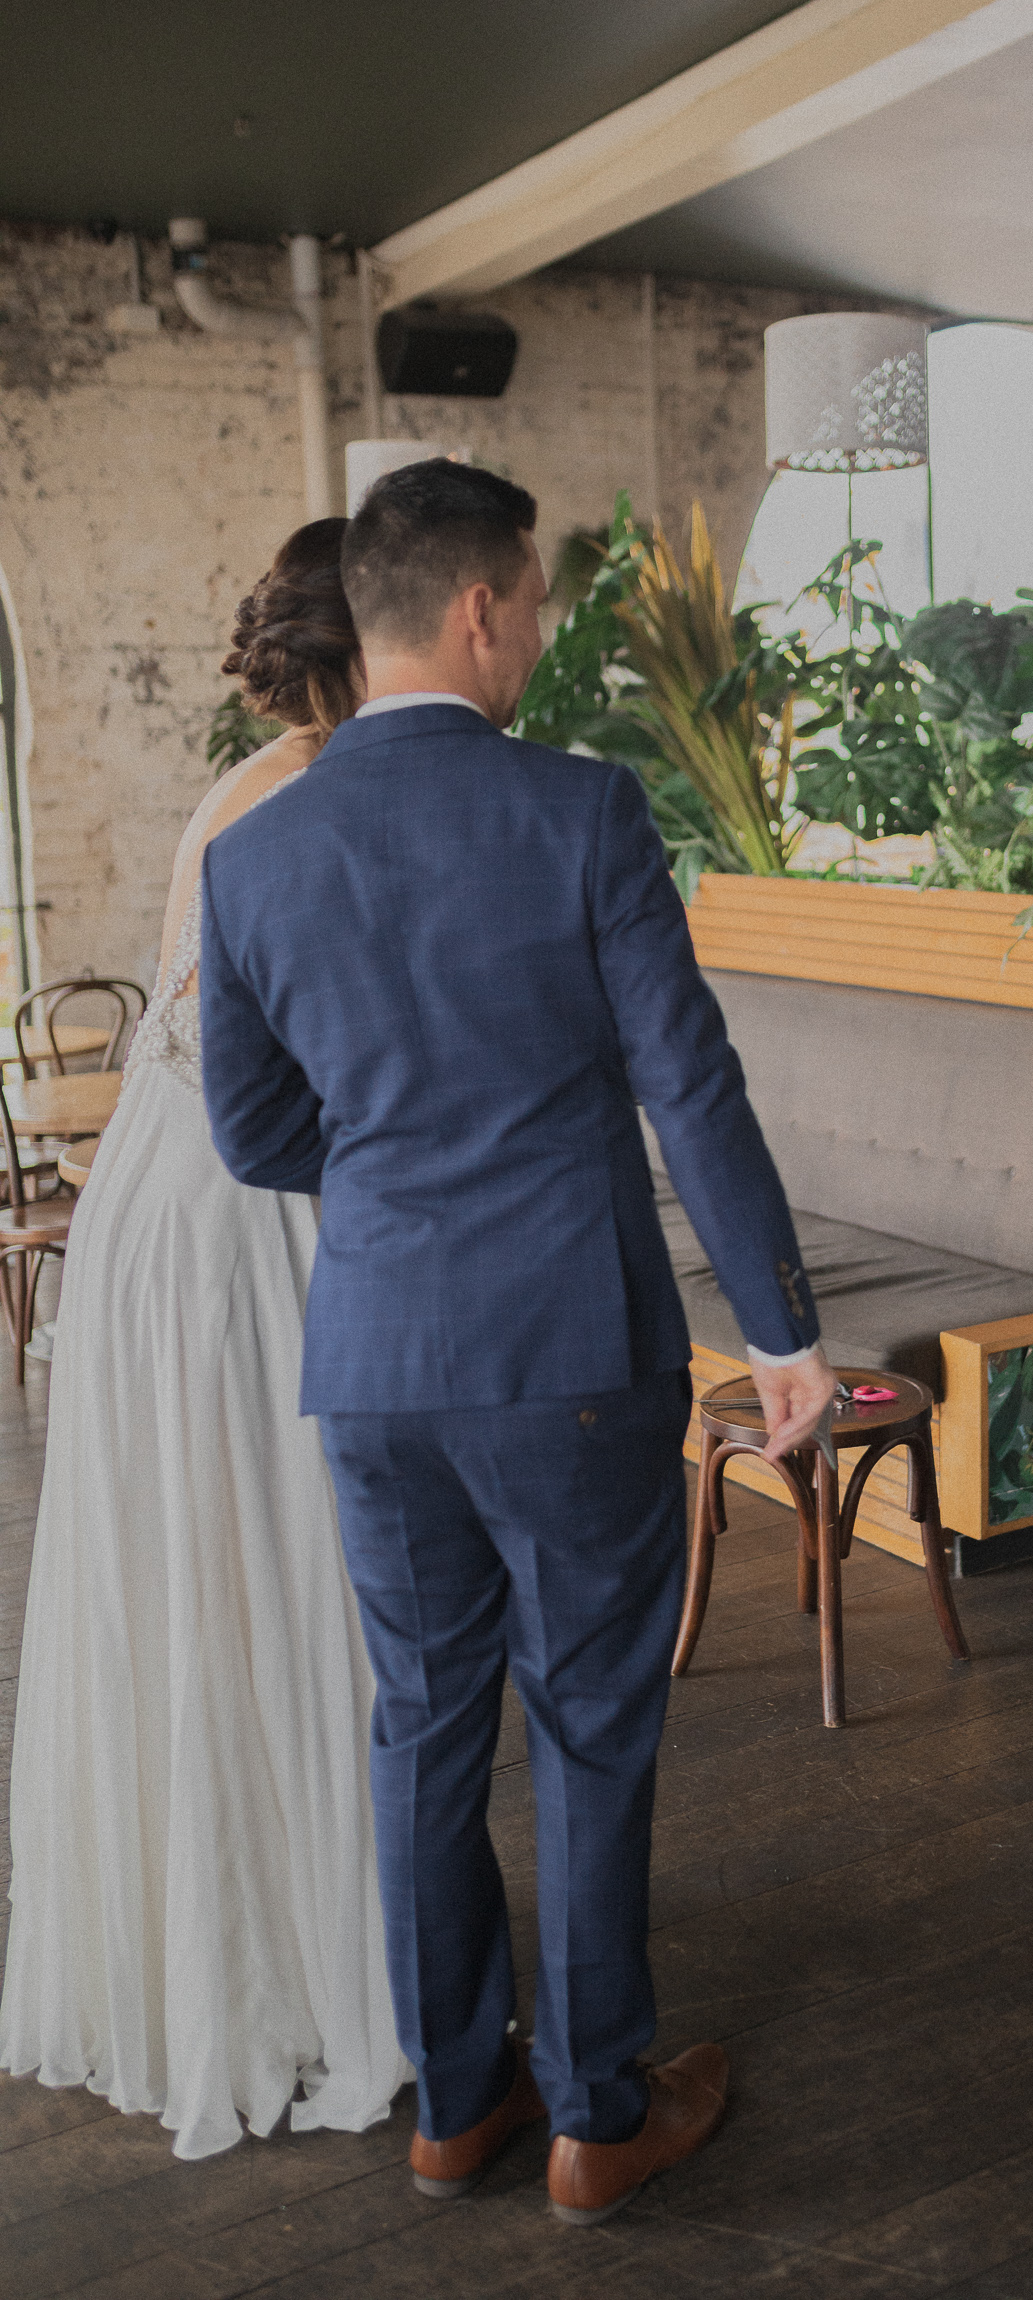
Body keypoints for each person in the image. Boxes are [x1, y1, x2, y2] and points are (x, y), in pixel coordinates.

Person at [198, 460, 836, 2223]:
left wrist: (404, 1176)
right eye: (537, 601)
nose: (540, 631)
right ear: (480, 610)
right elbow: (687, 1090)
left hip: (376, 1363)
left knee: (421, 1727)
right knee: (588, 1728)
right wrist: (783, 1336)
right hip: (570, 1353)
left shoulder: (254, 861)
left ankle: (454, 2105)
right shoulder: (581, 813)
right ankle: (596, 2115)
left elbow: (253, 1135)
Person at [0, 521, 410, 2160]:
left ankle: (210, 1954)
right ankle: (305, 1979)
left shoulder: (260, 771)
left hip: (158, 1207)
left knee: (197, 1576)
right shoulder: (327, 792)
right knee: (286, 1568)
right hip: (244, 1215)